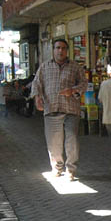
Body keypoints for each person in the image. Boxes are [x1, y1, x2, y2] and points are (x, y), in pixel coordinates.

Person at [30, 39, 86, 180]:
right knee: (53, 142)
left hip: (71, 110)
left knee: (72, 139)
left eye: (63, 48)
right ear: (53, 50)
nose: (60, 51)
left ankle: (71, 169)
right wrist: (37, 98)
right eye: (57, 48)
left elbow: (84, 83)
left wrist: (73, 90)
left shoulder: (75, 67)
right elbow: (36, 83)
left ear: (67, 50)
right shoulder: (44, 67)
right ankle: (56, 168)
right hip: (51, 109)